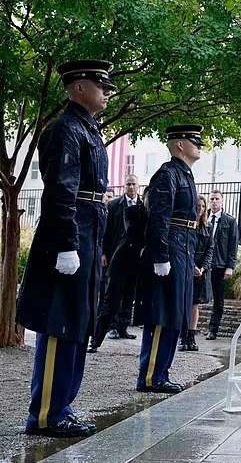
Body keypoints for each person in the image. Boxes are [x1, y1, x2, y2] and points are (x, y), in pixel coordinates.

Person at [16, 59, 115, 437]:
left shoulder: (87, 130)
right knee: (60, 322)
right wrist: (67, 245)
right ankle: (46, 413)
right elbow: (61, 191)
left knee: (77, 320)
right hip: (71, 235)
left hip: (87, 232)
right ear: (77, 88)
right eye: (99, 85)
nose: (106, 92)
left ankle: (63, 406)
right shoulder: (65, 130)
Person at [133, 124, 203, 393]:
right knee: (163, 313)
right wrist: (161, 256)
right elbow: (159, 218)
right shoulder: (167, 174)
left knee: (176, 314)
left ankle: (161, 372)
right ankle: (151, 376)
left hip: (182, 248)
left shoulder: (185, 174)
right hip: (171, 249)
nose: (199, 145)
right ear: (180, 145)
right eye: (194, 141)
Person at [89, 174, 143, 351]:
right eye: (128, 184)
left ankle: (122, 327)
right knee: (110, 299)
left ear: (138, 186)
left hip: (136, 260)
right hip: (117, 257)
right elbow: (105, 231)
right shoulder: (114, 205)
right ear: (124, 186)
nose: (131, 187)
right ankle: (98, 337)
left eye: (134, 184)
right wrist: (104, 252)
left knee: (129, 298)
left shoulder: (143, 207)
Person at [205, 189, 239, 340]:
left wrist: (230, 266)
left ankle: (213, 329)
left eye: (216, 199)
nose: (214, 202)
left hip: (220, 265)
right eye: (211, 199)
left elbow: (233, 245)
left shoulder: (230, 221)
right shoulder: (202, 217)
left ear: (222, 201)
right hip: (203, 265)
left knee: (218, 300)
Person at [181, 195, 213, 352]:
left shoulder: (208, 227)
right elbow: (185, 248)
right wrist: (192, 266)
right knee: (184, 303)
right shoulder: (187, 225)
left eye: (202, 206)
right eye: (197, 206)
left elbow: (210, 250)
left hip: (201, 272)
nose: (199, 209)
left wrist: (203, 268)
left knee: (195, 304)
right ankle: (183, 336)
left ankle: (191, 337)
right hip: (187, 268)